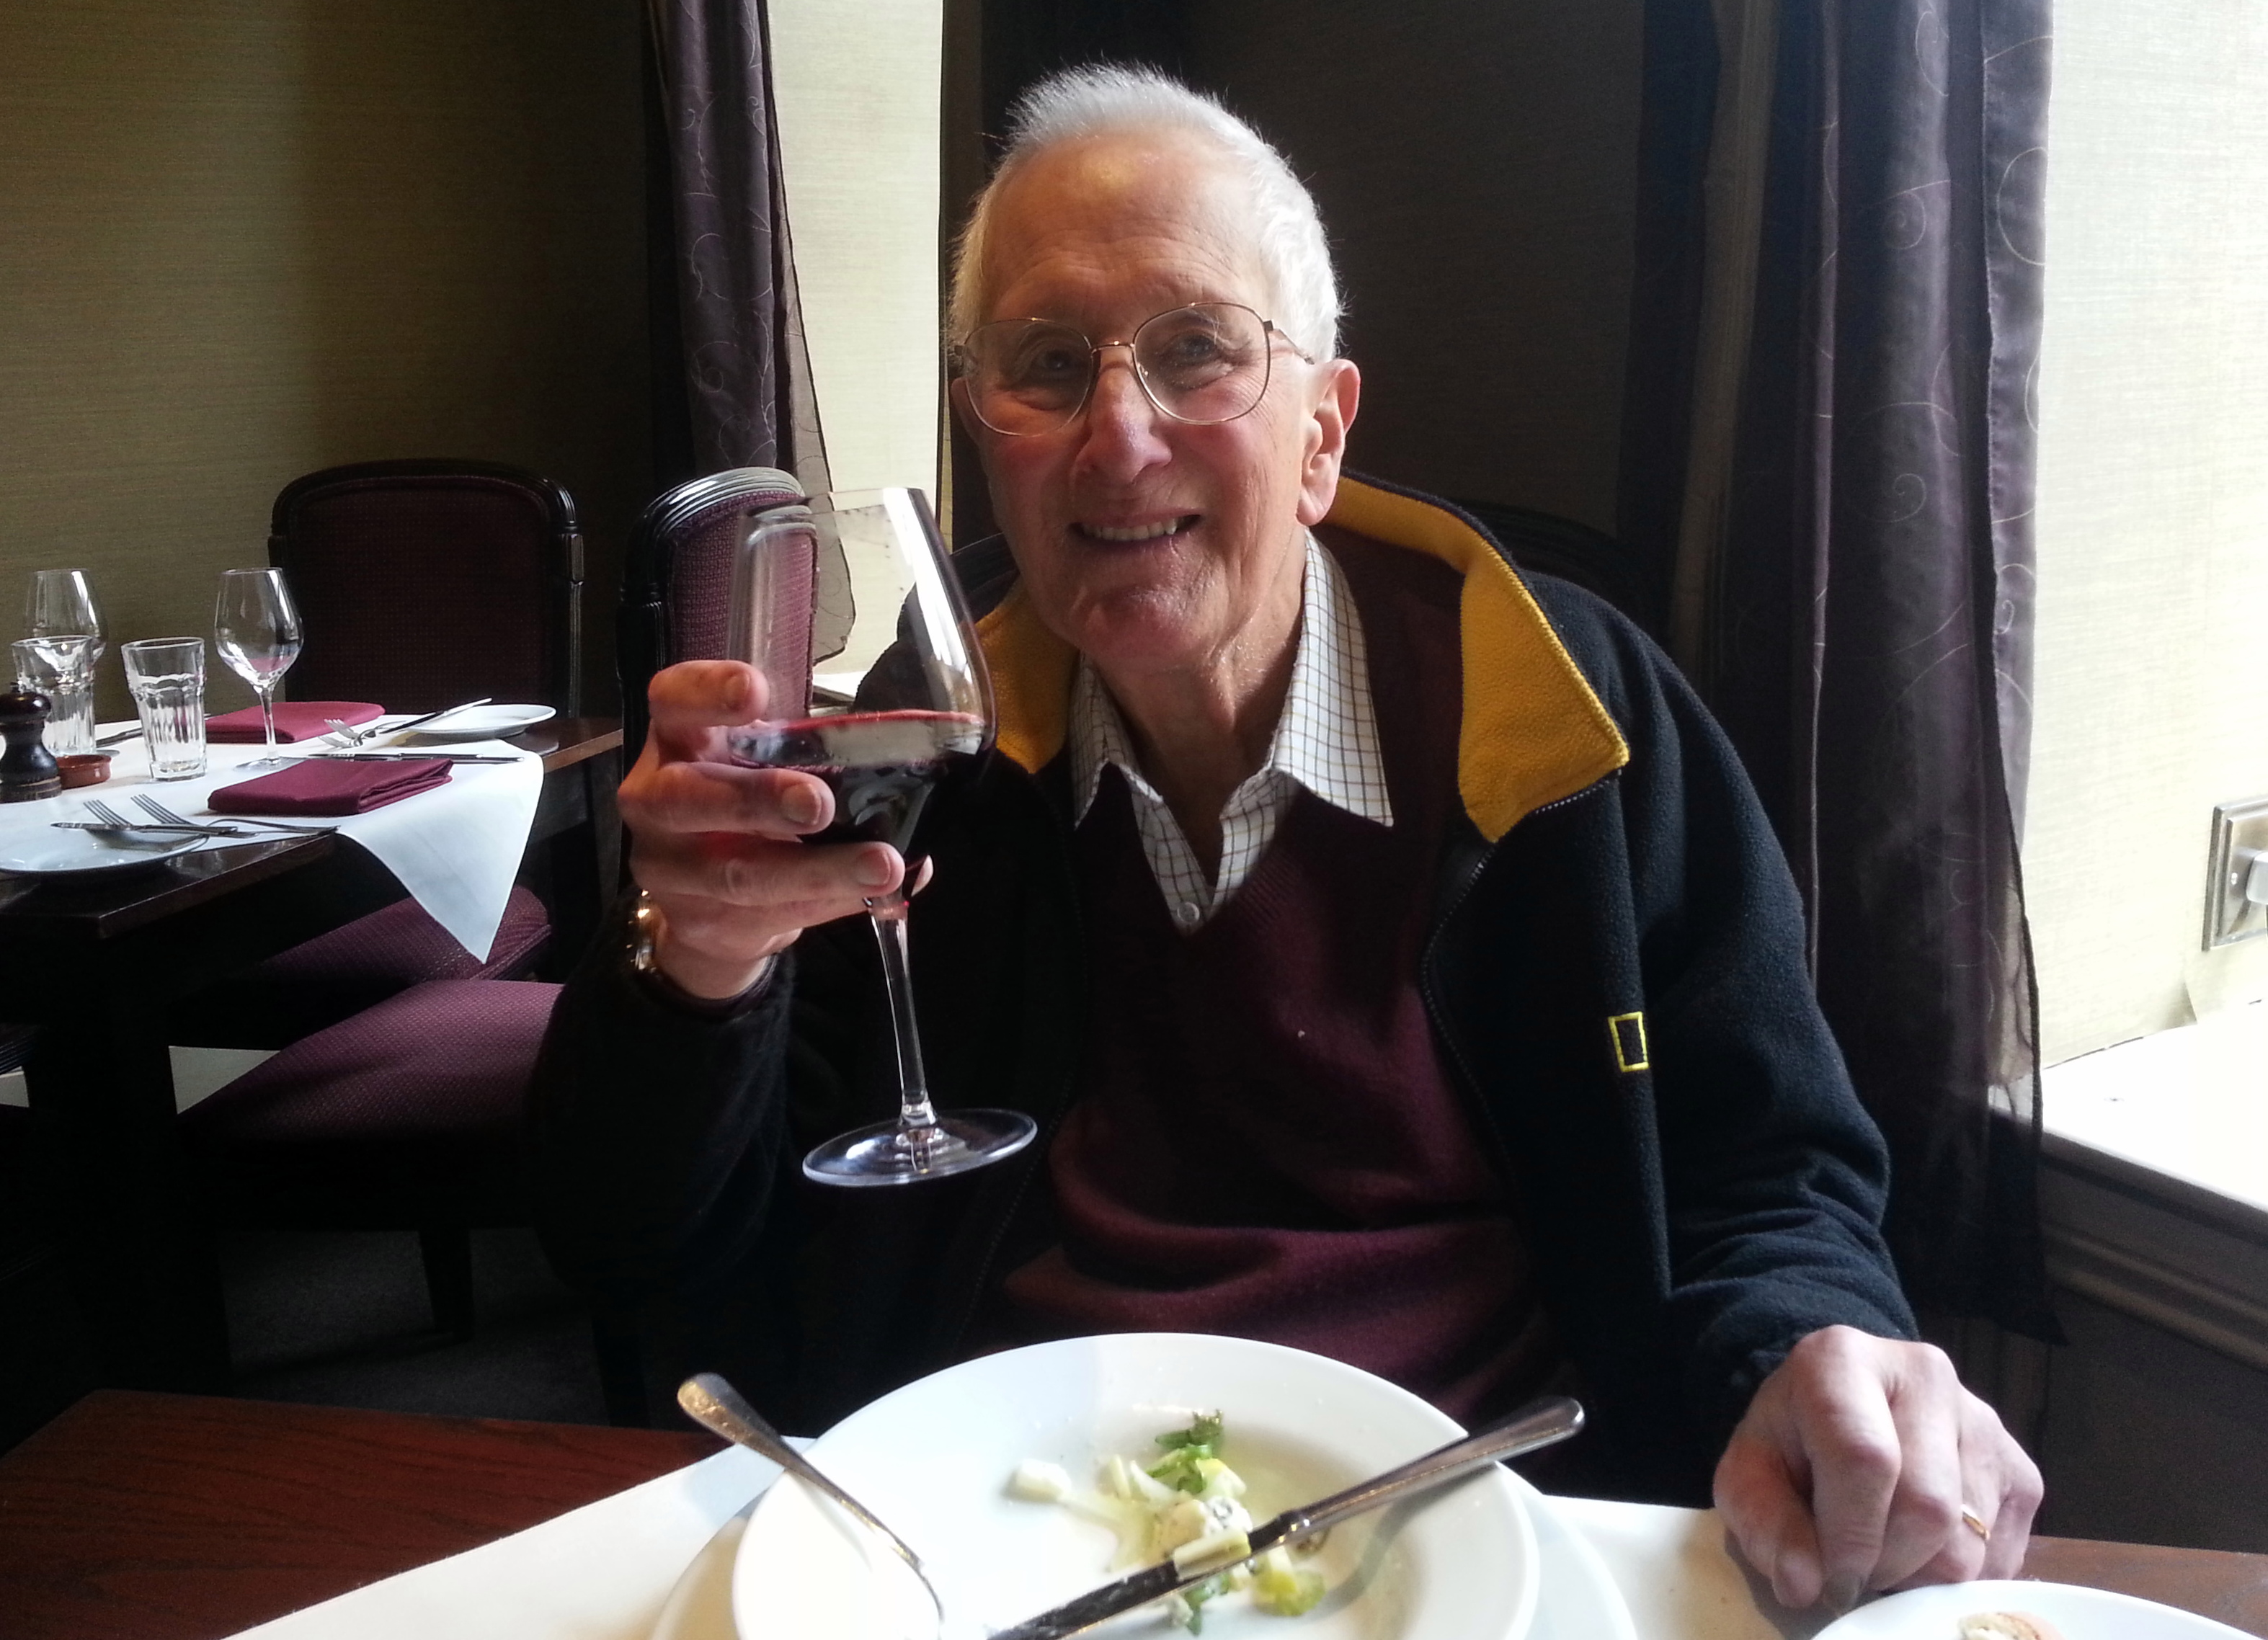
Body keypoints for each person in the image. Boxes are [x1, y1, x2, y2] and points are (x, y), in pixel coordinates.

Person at [530, 65, 2041, 1611]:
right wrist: (690, 974)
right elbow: (639, 1251)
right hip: (1000, 1541)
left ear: (1321, 434)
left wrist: (1801, 1348)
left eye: (1197, 350)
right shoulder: (923, 754)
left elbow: (1769, 1166)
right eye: (1046, 364)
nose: (1119, 435)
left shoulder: (1574, 718)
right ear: (987, 435)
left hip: (1475, 1538)